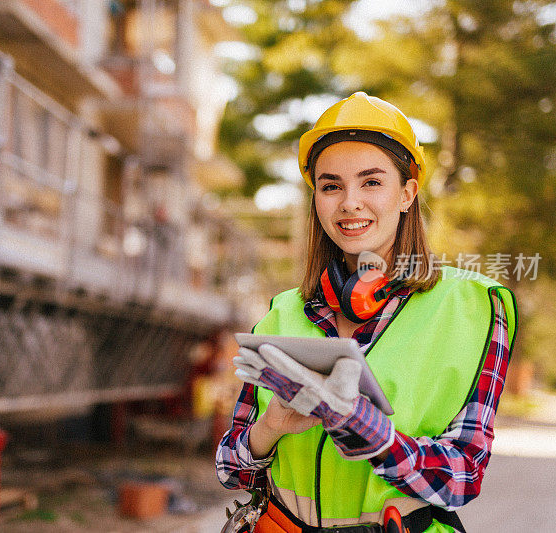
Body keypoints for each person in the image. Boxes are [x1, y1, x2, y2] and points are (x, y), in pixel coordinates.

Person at [215, 92, 517, 533]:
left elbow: (464, 476)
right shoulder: (284, 312)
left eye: (371, 182)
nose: (349, 202)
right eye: (331, 185)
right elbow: (231, 469)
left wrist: (379, 440)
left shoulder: (471, 307)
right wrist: (272, 426)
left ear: (407, 193)